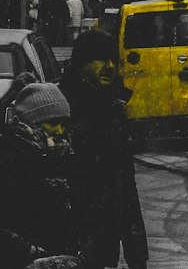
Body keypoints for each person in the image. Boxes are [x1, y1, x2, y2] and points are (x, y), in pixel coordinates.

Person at [60, 28, 148, 269]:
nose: (109, 65)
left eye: (113, 60)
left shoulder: (112, 114)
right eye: (100, 58)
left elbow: (126, 190)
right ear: (82, 63)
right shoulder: (60, 111)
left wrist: (137, 256)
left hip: (101, 248)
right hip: (64, 245)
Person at [0, 75, 80, 266]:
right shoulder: (7, 156)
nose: (60, 130)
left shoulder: (64, 157)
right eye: (52, 123)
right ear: (31, 122)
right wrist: (31, 254)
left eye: (63, 123)